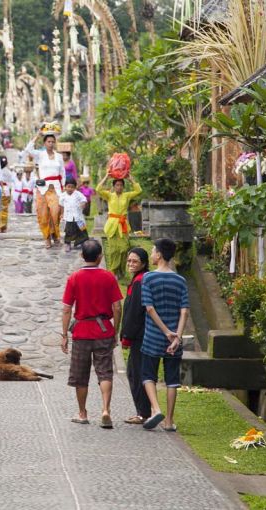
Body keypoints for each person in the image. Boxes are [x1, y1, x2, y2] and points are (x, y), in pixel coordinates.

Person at [61, 239, 123, 429]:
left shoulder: (74, 277)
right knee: (104, 372)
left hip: (81, 332)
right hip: (103, 330)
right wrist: (115, 330)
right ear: (100, 257)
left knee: (80, 375)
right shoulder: (109, 277)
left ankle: (82, 413)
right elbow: (117, 306)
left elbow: (66, 309)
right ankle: (105, 409)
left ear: (82, 256)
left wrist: (64, 335)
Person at [141, 238, 190, 432]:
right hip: (174, 340)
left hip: (153, 335)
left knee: (148, 375)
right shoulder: (180, 280)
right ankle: (169, 421)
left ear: (159, 255)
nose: (152, 254)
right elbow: (184, 311)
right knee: (172, 380)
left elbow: (150, 309)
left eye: (153, 251)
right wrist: (176, 336)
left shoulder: (148, 278)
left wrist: (165, 331)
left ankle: (156, 409)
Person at [120, 247, 151, 424]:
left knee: (136, 373)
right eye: (129, 261)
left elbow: (133, 313)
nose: (131, 264)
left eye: (135, 261)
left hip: (139, 336)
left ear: (144, 264)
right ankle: (144, 410)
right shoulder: (139, 279)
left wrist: (126, 337)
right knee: (136, 371)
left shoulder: (140, 281)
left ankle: (143, 412)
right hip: (140, 335)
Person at [96, 174, 142, 279]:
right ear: (113, 186)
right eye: (117, 185)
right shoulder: (109, 195)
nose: (119, 187)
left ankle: (121, 269)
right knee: (113, 250)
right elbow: (98, 189)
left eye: (121, 185)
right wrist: (106, 176)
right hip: (112, 225)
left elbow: (139, 191)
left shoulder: (127, 195)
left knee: (124, 249)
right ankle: (113, 271)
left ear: (123, 187)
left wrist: (131, 179)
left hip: (123, 224)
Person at [25, 132, 66, 248]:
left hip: (56, 188)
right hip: (42, 188)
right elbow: (28, 149)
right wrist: (37, 134)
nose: (51, 144)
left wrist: (62, 187)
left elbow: (62, 172)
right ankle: (47, 237)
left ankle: (55, 234)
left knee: (55, 213)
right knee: (43, 214)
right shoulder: (40, 155)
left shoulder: (59, 156)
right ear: (44, 143)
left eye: (53, 142)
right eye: (48, 141)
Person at [59, 177, 89, 252]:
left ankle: (82, 242)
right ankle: (67, 243)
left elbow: (84, 200)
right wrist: (62, 213)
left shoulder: (78, 194)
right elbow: (61, 205)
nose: (70, 189)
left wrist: (83, 204)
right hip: (68, 217)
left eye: (72, 187)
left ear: (75, 187)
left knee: (82, 230)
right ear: (65, 187)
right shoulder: (63, 196)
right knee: (69, 231)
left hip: (78, 216)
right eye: (68, 187)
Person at [0, 155, 12, 232]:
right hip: (6, 191)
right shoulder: (8, 172)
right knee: (4, 209)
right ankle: (3, 226)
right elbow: (10, 185)